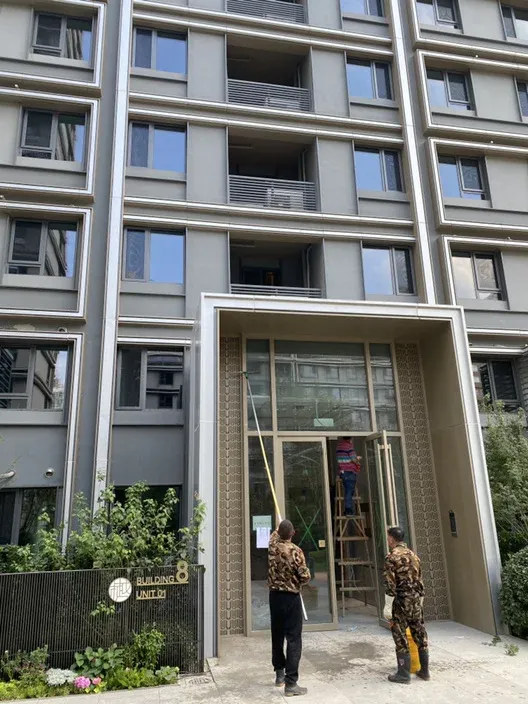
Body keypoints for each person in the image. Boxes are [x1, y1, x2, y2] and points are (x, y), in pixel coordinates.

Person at [268, 519, 311, 697]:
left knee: (277, 635)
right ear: (292, 533)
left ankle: (279, 674)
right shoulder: (296, 551)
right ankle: (291, 683)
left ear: (278, 532)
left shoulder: (272, 547)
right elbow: (305, 576)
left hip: (275, 597)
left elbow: (274, 536)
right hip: (291, 597)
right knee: (293, 639)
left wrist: (278, 528)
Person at [383, 526, 430, 684]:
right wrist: (420, 601)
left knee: (400, 637)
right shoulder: (414, 556)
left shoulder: (391, 557)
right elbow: (420, 581)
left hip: (400, 602)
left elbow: (390, 584)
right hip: (415, 601)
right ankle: (424, 671)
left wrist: (387, 607)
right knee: (420, 634)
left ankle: (403, 674)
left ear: (391, 539)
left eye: (388, 537)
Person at [336, 437, 361, 516]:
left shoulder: (339, 446)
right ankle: (348, 510)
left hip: (342, 471)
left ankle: (348, 508)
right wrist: (358, 459)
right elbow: (354, 459)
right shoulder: (349, 447)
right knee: (349, 491)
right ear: (350, 439)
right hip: (349, 471)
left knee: (349, 490)